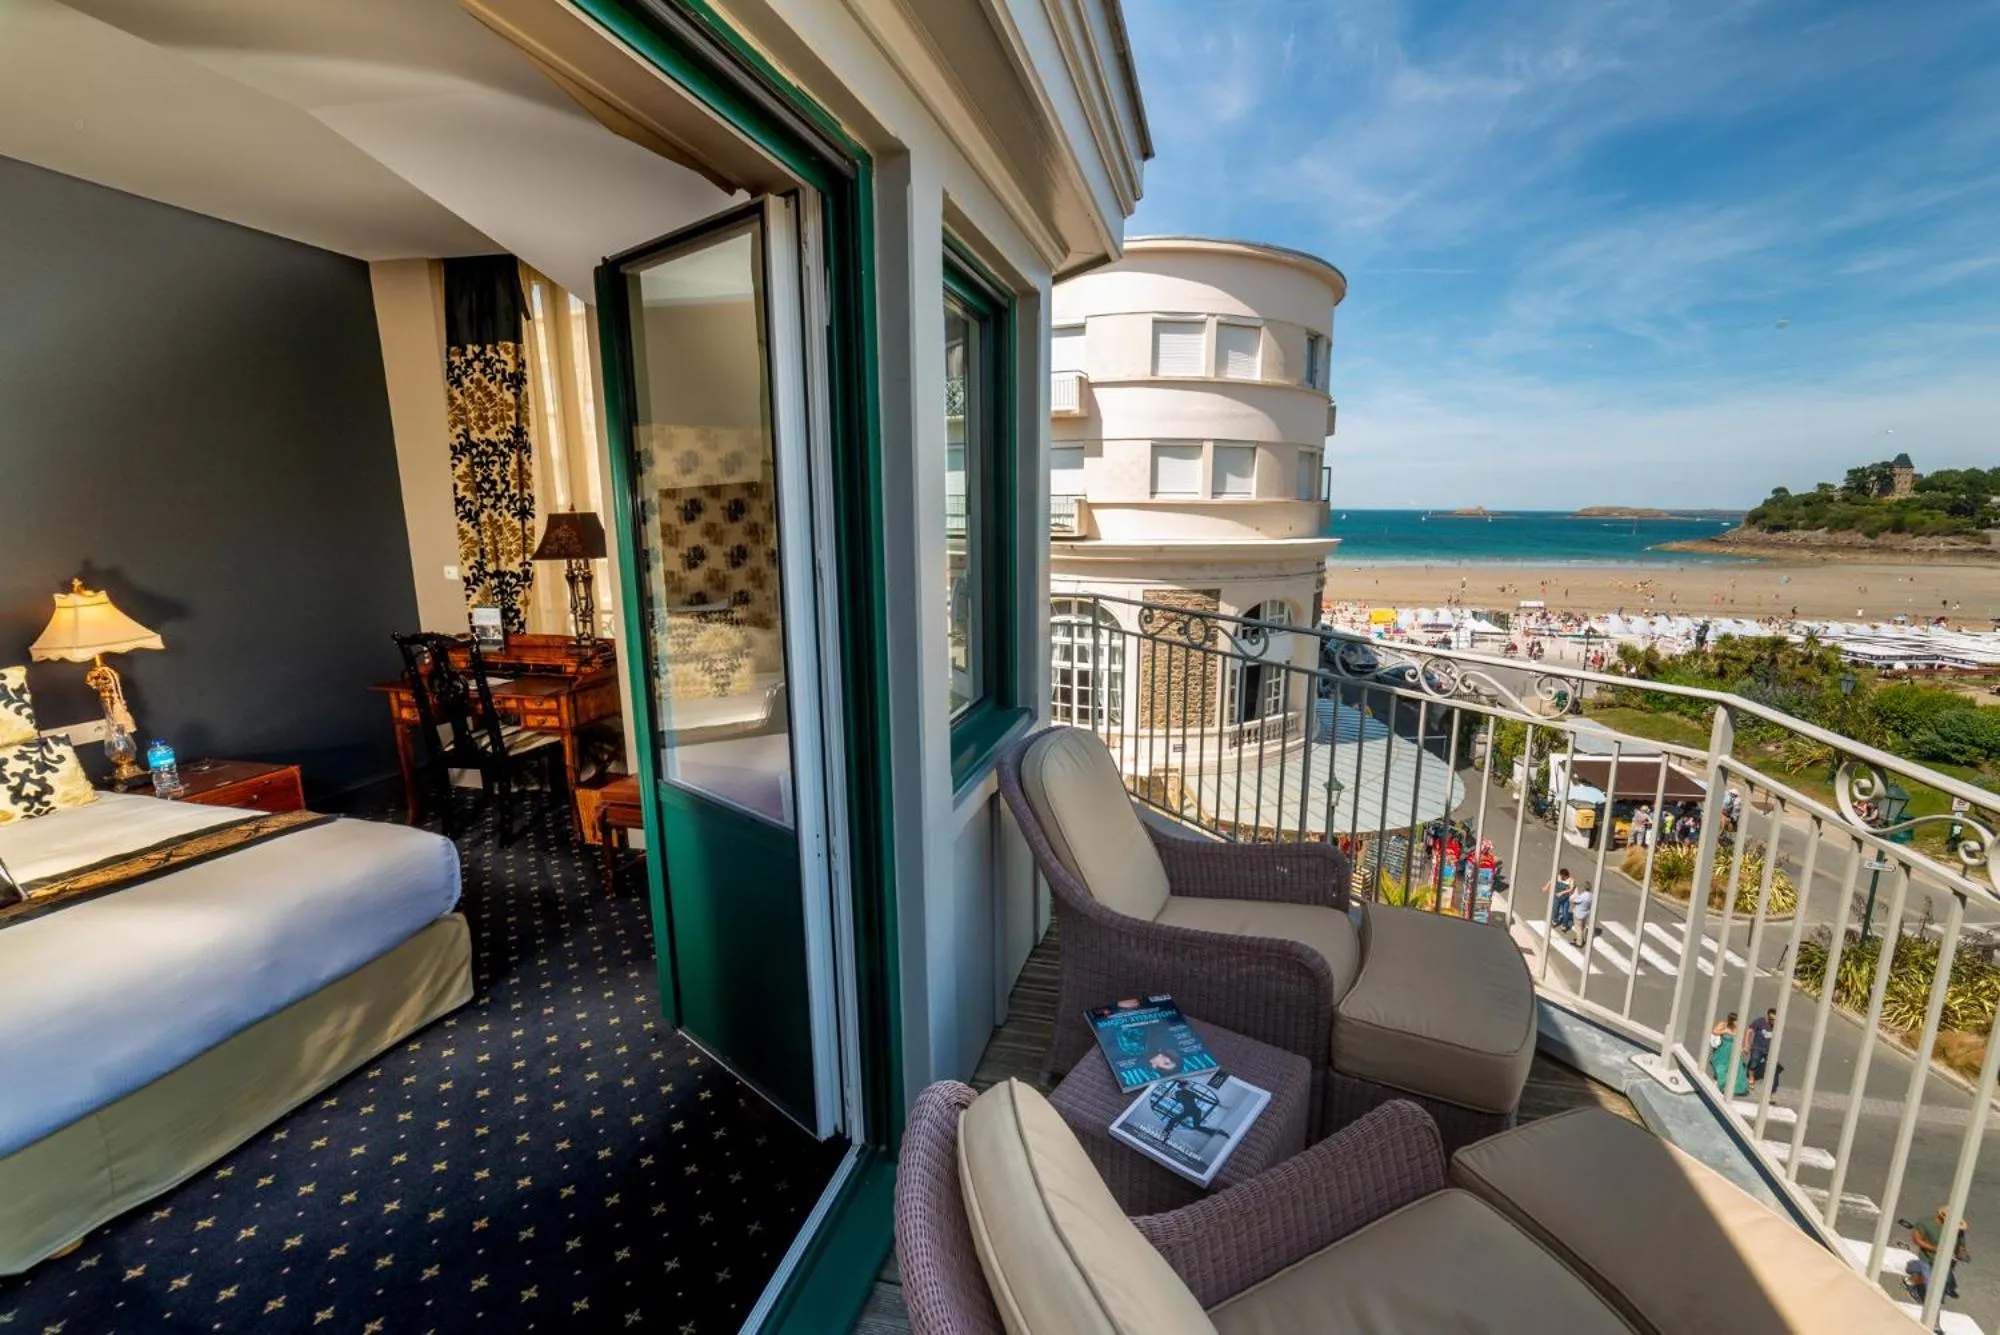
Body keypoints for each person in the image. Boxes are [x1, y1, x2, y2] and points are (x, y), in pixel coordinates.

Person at [1903, 1207, 1971, 1305]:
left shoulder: (1958, 1230)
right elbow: (1916, 1240)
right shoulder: (1925, 1224)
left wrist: (1962, 1253)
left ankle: (1915, 1267)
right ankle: (1911, 1283)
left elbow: (1961, 1245)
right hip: (1928, 1258)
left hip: (1947, 1261)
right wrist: (1936, 1249)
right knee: (1931, 1287)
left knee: (1947, 1283)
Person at [1708, 1013, 1750, 1096]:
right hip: (1723, 1050)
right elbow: (1714, 1031)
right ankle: (1722, 1085)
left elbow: (1739, 1040)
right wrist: (1725, 1031)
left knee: (1737, 1069)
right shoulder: (1723, 1025)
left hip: (1733, 1051)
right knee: (1721, 1067)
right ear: (1732, 1021)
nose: (1738, 1023)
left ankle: (1737, 1089)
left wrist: (1743, 1048)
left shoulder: (1738, 1028)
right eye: (1737, 1021)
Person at [1747, 1007, 1779, 1091]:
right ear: (1768, 1017)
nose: (1773, 1021)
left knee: (1771, 1066)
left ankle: (1768, 1083)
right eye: (1772, 1019)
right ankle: (1751, 1077)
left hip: (1769, 1049)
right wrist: (1746, 1044)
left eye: (1775, 1019)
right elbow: (1749, 1031)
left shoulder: (1777, 1024)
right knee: (1754, 1062)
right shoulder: (1759, 1021)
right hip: (1757, 1047)